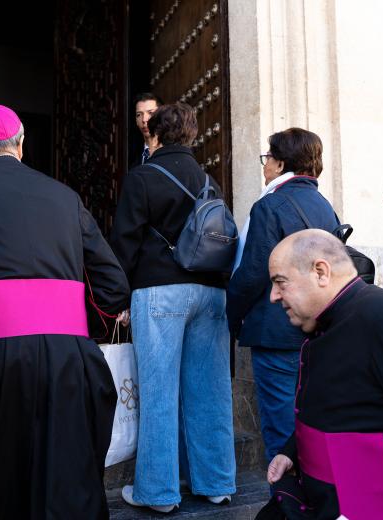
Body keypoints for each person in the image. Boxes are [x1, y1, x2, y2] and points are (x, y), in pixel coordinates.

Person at [0, 102, 129, 519]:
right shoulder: (66, 197)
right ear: (20, 145)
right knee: (66, 482)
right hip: (67, 358)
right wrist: (68, 323)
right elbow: (113, 285)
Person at [258, 229, 383, 520]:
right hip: (331, 499)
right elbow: (341, 404)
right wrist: (293, 452)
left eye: (280, 282)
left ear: (320, 272)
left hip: (377, 504)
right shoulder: (328, 320)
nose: (273, 296)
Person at [111, 102, 236, 513]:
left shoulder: (143, 177)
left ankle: (159, 493)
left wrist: (118, 296)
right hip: (211, 292)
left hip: (159, 289)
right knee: (211, 391)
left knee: (159, 392)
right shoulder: (208, 181)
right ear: (191, 136)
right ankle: (216, 483)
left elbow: (124, 242)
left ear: (154, 134)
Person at [227, 128, 339, 464]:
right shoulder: (325, 206)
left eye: (267, 158)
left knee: (281, 430)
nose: (265, 166)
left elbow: (252, 273)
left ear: (279, 163)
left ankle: (289, 504)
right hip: (316, 331)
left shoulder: (271, 205)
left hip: (276, 332)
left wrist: (230, 317)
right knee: (312, 425)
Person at [133, 92, 163, 165]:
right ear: (136, 121)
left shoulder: (172, 152)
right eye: (139, 115)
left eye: (151, 113)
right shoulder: (132, 157)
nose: (144, 120)